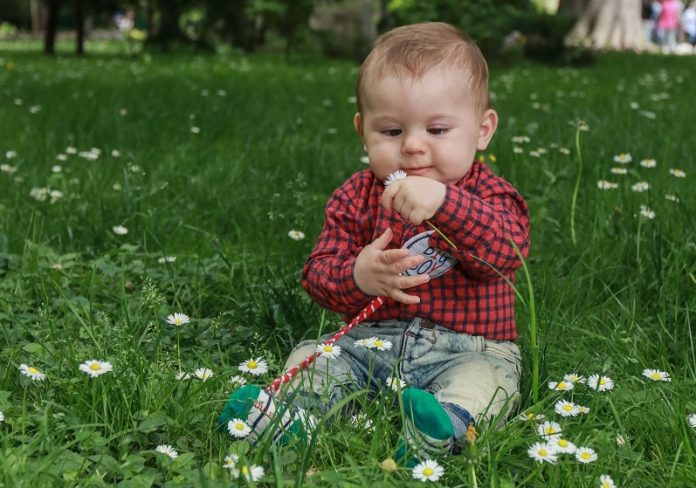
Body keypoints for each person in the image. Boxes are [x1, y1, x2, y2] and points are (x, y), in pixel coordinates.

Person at [219, 22, 530, 464]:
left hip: (469, 347)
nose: (414, 147)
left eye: (438, 131)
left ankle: (443, 427)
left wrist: (446, 204)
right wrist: (358, 275)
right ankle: (286, 419)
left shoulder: (490, 195)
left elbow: (503, 255)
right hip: (370, 342)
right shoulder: (356, 195)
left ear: (482, 130)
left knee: (487, 382)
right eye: (391, 132)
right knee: (317, 357)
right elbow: (318, 274)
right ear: (363, 130)